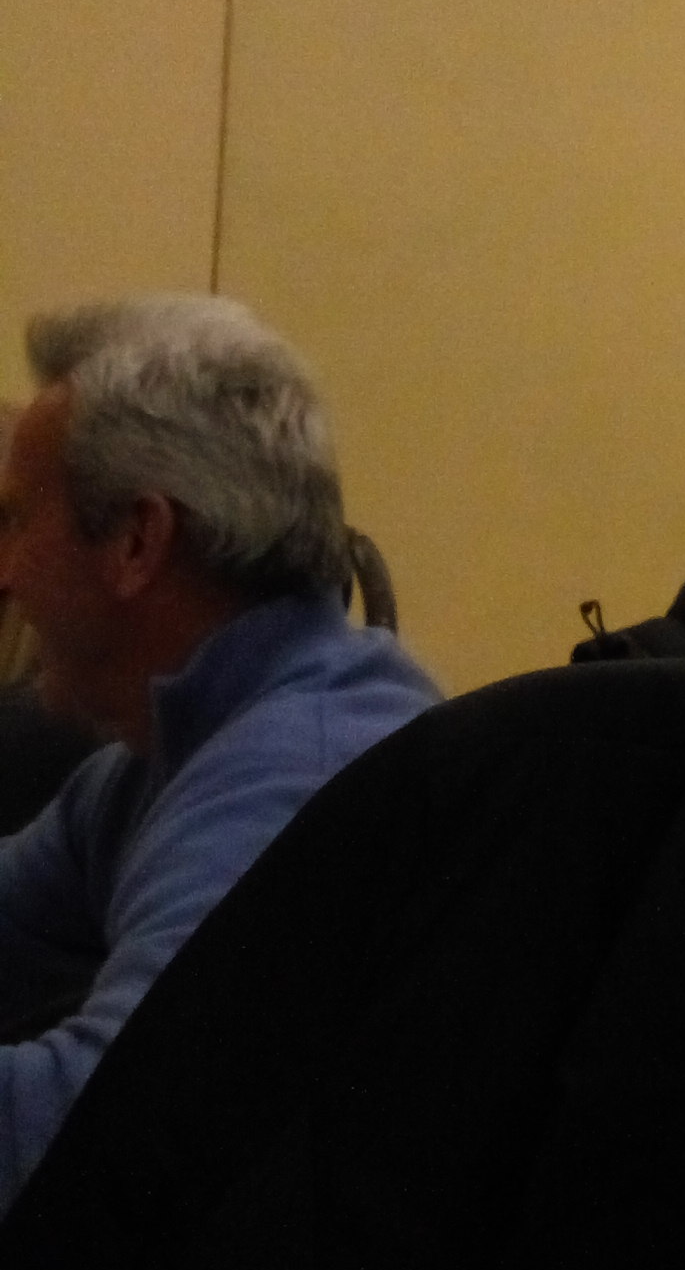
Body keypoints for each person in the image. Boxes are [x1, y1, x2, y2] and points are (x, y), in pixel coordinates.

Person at [0, 294, 438, 1209]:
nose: (5, 573)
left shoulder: (299, 775)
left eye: (19, 522)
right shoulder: (165, 755)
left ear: (137, 539)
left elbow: (85, 1139)